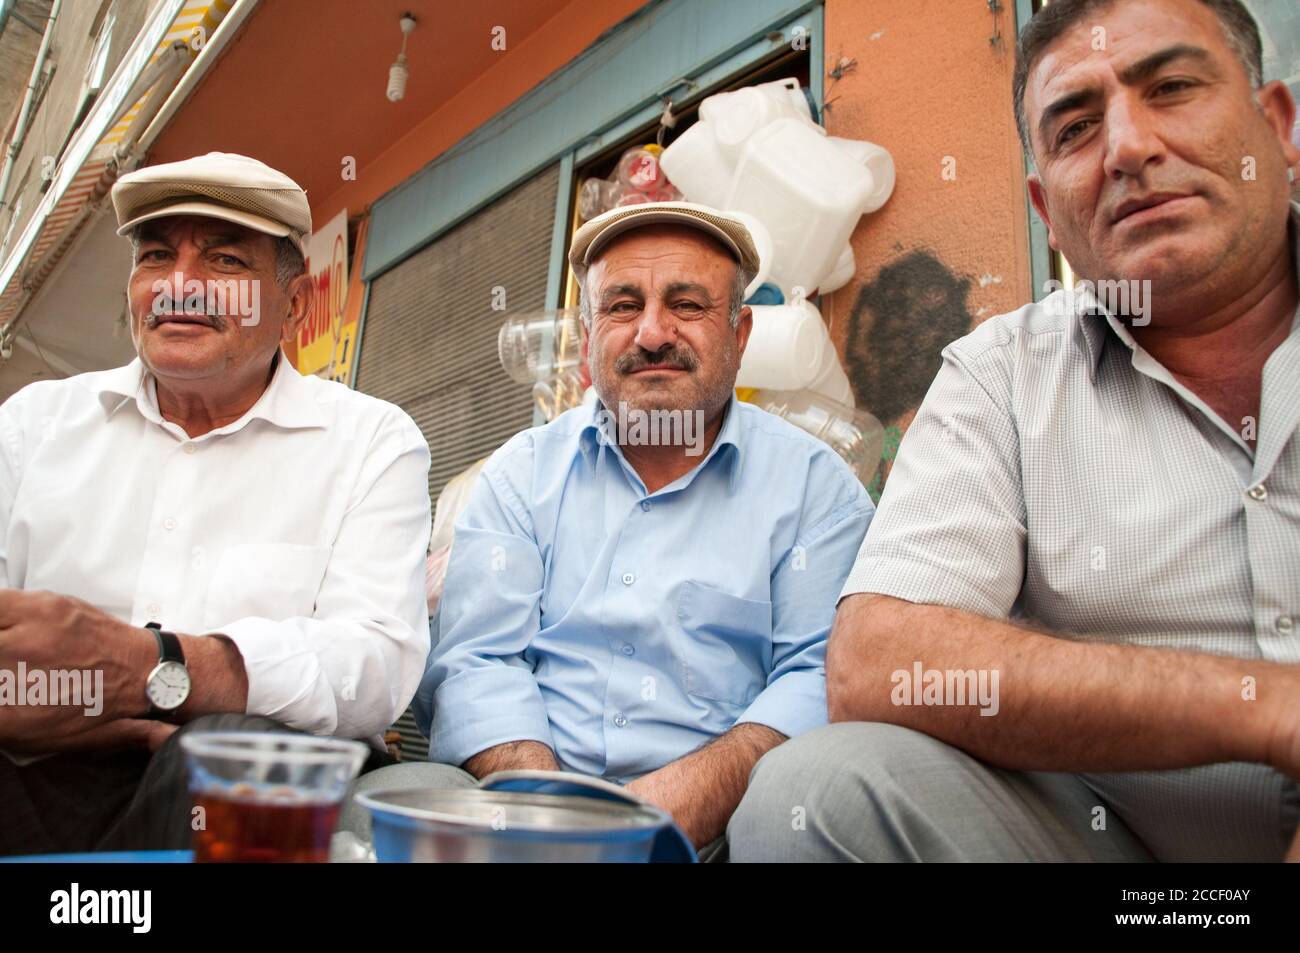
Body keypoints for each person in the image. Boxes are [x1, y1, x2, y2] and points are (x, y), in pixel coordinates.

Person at [730, 0, 1300, 862]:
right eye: (1075, 129)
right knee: (816, 794)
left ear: (1280, 124)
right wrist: (1266, 706)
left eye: (1173, 87)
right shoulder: (1002, 372)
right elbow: (880, 660)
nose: (1129, 149)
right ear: (1044, 205)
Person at [342, 203, 873, 858]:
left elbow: (817, 671)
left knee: (811, 795)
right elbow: (476, 661)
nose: (652, 333)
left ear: (739, 334)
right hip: (524, 815)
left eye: (686, 304)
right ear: (588, 337)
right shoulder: (518, 478)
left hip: (728, 826)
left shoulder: (815, 489)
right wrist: (556, 816)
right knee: (400, 797)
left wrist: (677, 802)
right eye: (623, 306)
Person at [0, 153, 432, 854]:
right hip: (37, 768)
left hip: (229, 790)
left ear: (293, 306)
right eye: (157, 256)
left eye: (225, 261)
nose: (178, 285)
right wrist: (119, 711)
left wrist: (152, 662)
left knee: (239, 754)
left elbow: (373, 667)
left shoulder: (370, 441)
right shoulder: (31, 426)